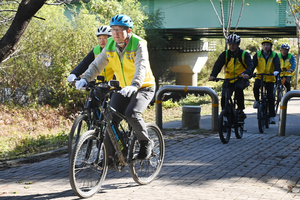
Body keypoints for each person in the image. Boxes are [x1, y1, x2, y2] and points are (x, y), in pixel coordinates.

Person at [75, 14, 156, 161]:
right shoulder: (110, 44)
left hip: (143, 86)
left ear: (129, 31)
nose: (115, 33)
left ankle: (145, 142)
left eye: (119, 30)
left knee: (132, 114)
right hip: (123, 88)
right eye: (113, 29)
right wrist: (85, 78)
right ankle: (113, 156)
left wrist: (135, 84)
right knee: (109, 121)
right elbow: (97, 64)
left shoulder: (138, 43)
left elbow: (141, 66)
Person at [209, 34, 254, 120]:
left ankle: (240, 110)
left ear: (238, 44)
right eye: (230, 44)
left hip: (241, 79)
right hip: (228, 79)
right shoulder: (225, 54)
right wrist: (213, 75)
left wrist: (247, 73)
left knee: (238, 88)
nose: (231, 46)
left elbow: (250, 65)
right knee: (224, 98)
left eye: (233, 44)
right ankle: (226, 117)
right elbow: (218, 65)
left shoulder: (244, 54)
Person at [252, 37, 280, 124]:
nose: (265, 47)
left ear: (271, 46)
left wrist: (276, 71)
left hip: (270, 78)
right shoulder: (258, 54)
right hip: (260, 77)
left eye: (267, 45)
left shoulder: (274, 55)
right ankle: (257, 100)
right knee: (255, 87)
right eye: (264, 45)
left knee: (271, 97)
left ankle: (272, 116)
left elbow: (277, 65)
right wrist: (250, 72)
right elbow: (253, 65)